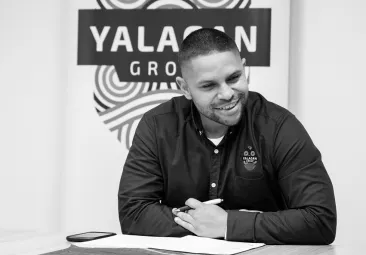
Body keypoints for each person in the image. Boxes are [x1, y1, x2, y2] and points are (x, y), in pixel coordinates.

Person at [117, 28, 336, 244]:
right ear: (185, 88)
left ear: (244, 67)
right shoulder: (157, 125)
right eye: (209, 85)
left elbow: (320, 219)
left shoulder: (279, 126)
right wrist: (206, 225)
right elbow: (133, 214)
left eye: (234, 77)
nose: (227, 93)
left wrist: (228, 224)